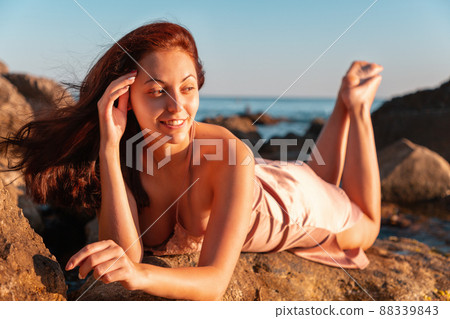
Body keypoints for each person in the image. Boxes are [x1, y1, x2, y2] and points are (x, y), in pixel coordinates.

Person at [0, 22, 382, 301]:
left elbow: (214, 282)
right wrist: (108, 149)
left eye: (187, 88)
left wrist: (141, 275)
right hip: (258, 176)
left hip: (290, 206)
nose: (177, 107)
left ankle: (357, 107)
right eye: (156, 91)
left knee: (364, 222)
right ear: (124, 98)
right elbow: (125, 251)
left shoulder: (229, 154)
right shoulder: (128, 153)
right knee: (314, 172)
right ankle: (342, 104)